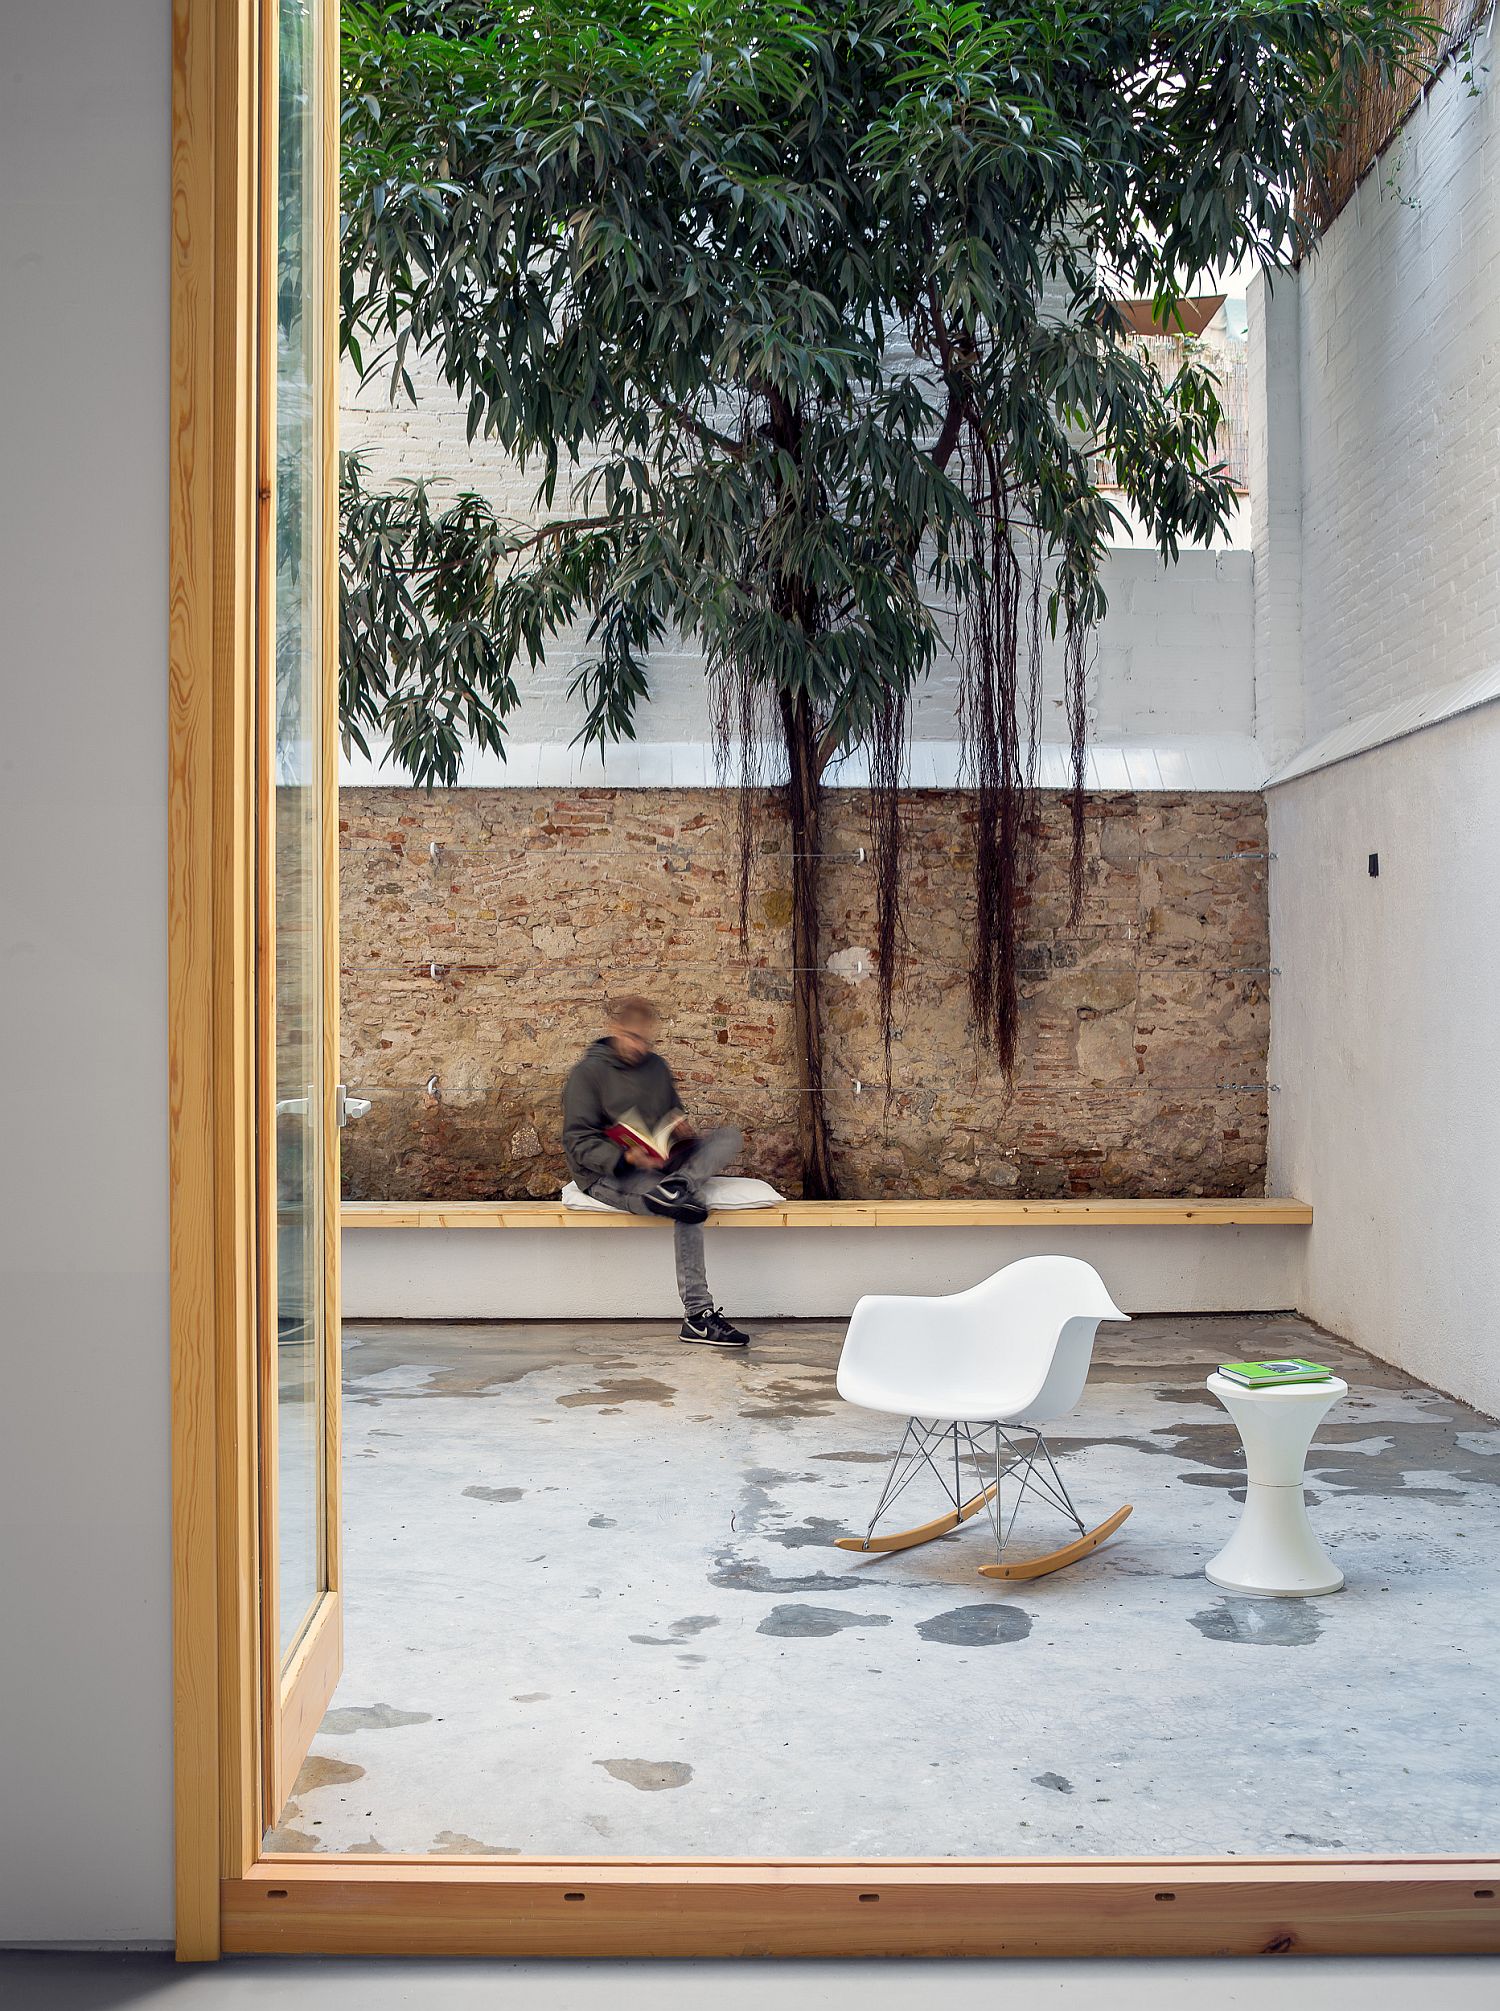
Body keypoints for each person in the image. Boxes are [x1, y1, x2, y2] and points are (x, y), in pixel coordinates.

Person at [561, 996, 753, 1348]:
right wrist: (626, 1158)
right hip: (610, 1172)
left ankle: (677, 1185)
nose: (639, 1047)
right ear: (615, 1030)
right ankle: (698, 1317)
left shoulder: (656, 1068)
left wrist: (679, 1129)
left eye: (646, 1041)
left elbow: (669, 1112)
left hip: (661, 1163)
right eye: (633, 1038)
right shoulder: (587, 1074)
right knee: (688, 1203)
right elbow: (577, 1142)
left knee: (729, 1137)